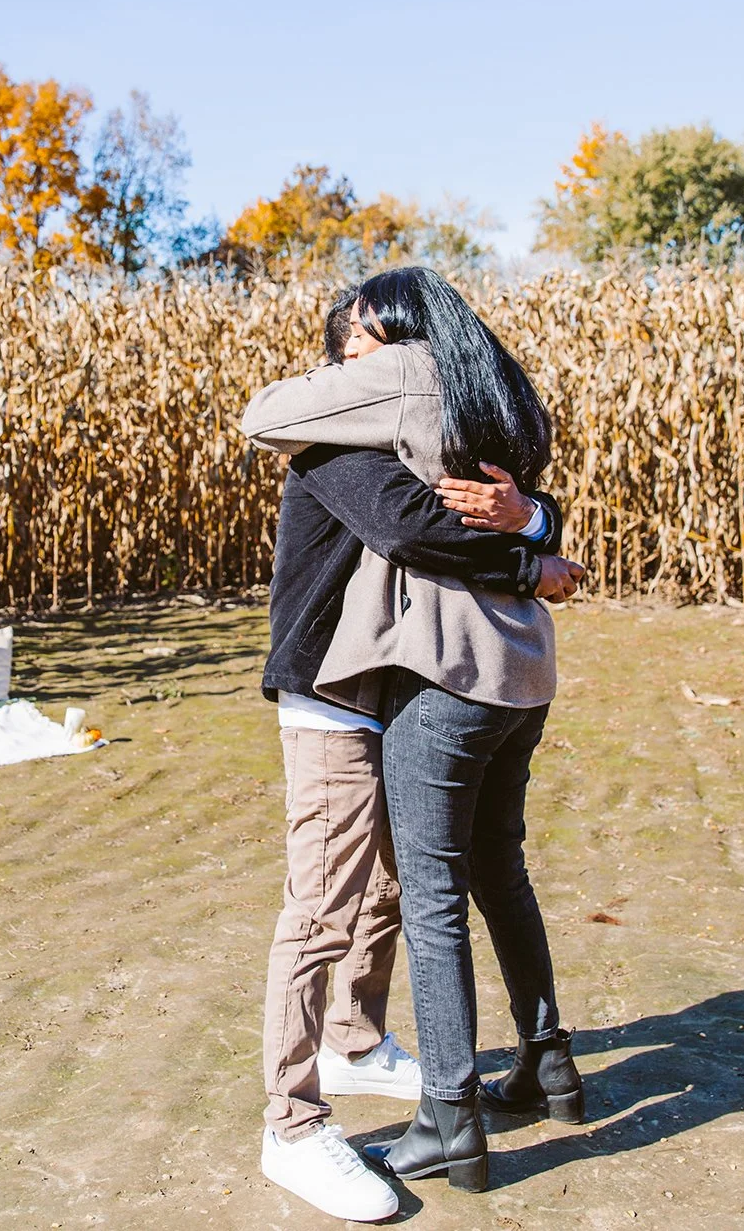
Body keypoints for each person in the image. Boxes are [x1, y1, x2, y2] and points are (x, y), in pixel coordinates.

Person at [243, 266, 587, 1199]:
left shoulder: (417, 420)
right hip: (328, 682)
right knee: (322, 902)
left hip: (395, 679)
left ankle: (356, 1040)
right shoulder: (332, 436)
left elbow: (489, 490)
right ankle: (293, 1120)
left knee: (393, 882)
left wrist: (534, 515)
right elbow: (410, 528)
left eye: (378, 337)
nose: (374, 355)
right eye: (356, 344)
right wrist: (535, 559)